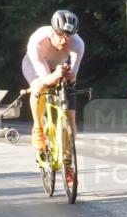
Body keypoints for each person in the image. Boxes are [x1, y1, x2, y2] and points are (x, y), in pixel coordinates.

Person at [23, 10, 85, 152]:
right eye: (61, 36)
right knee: (39, 86)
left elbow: (73, 77)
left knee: (71, 112)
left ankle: (68, 155)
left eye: (68, 37)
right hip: (34, 65)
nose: (64, 41)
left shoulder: (78, 44)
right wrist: (56, 74)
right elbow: (46, 80)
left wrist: (70, 76)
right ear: (52, 31)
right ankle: (37, 127)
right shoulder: (37, 41)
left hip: (58, 67)